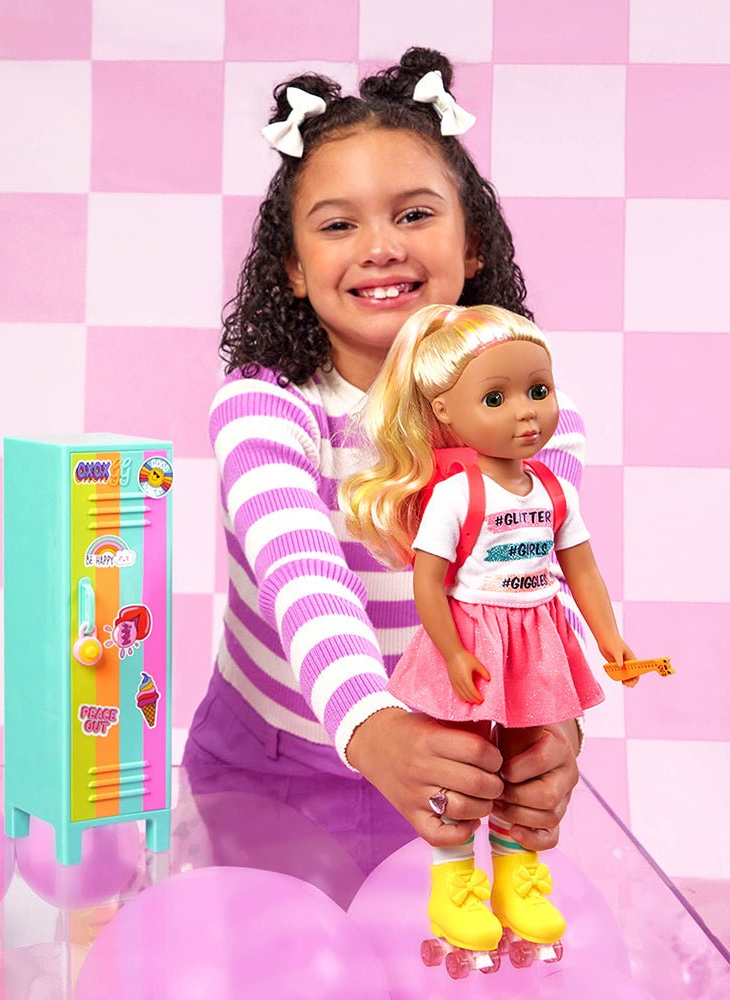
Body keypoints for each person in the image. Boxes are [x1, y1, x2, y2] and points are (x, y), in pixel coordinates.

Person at [182, 47, 587, 885]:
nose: (380, 247)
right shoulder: (264, 408)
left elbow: (539, 586)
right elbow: (303, 576)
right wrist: (372, 725)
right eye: (338, 225)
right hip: (271, 771)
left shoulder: (530, 420)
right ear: (294, 269)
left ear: (473, 245)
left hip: (455, 770)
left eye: (414, 214)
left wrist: (553, 725)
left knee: (440, 943)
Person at [341, 304, 633, 955]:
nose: (526, 413)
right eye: (496, 399)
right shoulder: (456, 494)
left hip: (537, 636)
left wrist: (609, 639)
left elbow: (580, 569)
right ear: (444, 411)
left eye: (538, 390)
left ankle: (517, 879)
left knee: (529, 756)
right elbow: (428, 581)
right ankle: (453, 888)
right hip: (475, 635)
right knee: (462, 759)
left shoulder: (552, 490)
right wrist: (450, 650)